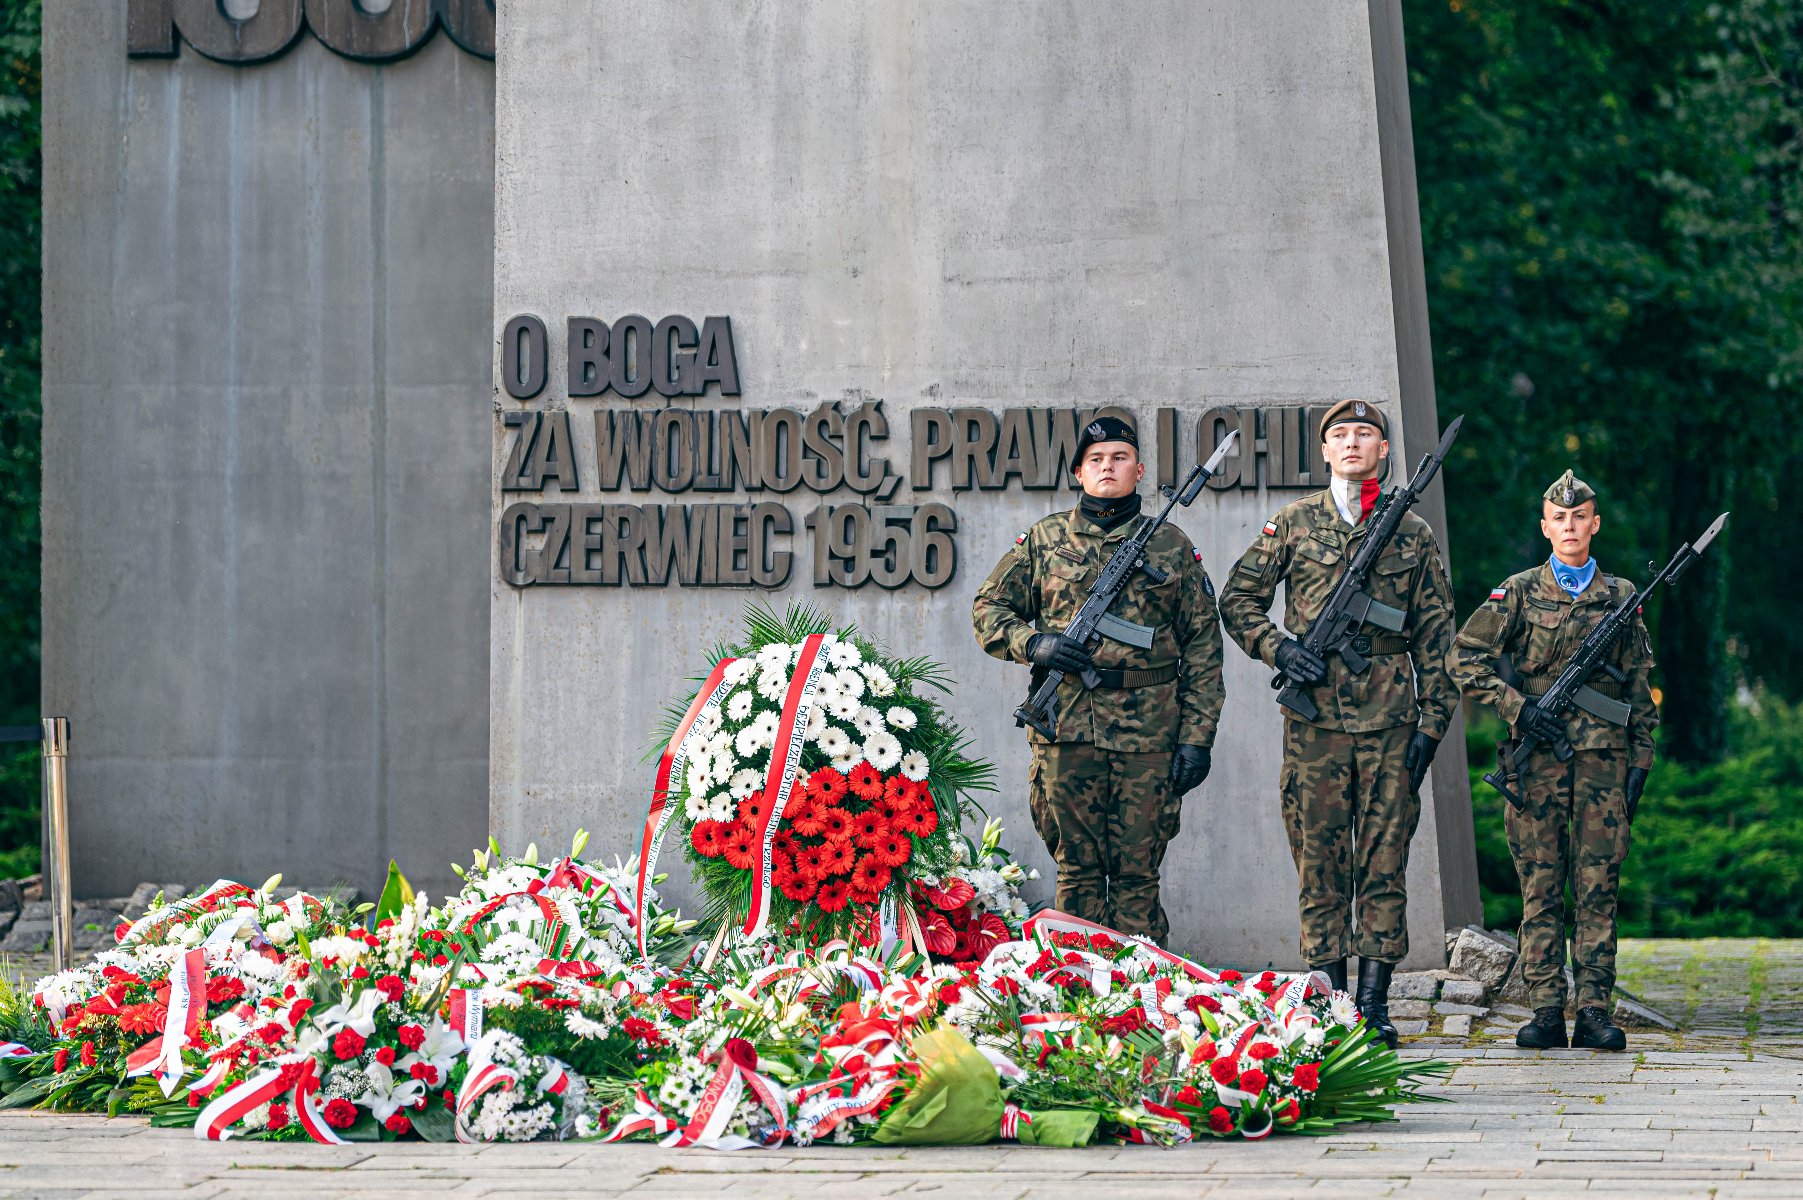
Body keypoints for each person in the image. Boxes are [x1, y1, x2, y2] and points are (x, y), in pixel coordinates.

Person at [1217, 399, 1456, 1048]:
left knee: (1383, 863)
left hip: (1390, 724)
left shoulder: (1411, 533)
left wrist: (1432, 724)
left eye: (1365, 433)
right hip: (1314, 726)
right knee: (1319, 864)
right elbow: (1237, 599)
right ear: (1324, 452)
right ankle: (1330, 1006)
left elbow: (1436, 638)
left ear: (1384, 449)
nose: (1352, 443)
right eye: (1340, 434)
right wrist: (1279, 648)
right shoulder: (1295, 523)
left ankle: (1374, 1006)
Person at [972, 415, 1226, 945]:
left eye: (1119, 458)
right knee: (1078, 874)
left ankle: (1145, 986)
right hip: (1066, 730)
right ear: (1079, 473)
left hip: (1149, 735)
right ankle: (1074, 986)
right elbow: (989, 609)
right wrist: (1034, 644)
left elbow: (1203, 648)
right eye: (1095, 460)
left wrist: (1197, 739)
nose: (1107, 467)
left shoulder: (1170, 545)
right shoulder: (1045, 540)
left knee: (1138, 877)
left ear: (1139, 471)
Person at [1449, 470, 1655, 1052]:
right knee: (1539, 886)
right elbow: (1462, 659)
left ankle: (1593, 1010)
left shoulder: (1620, 596)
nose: (1569, 526)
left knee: (1597, 887)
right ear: (1545, 527)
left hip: (1603, 765)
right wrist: (1518, 707)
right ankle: (1544, 1008)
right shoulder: (1517, 592)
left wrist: (1641, 759)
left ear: (1594, 524)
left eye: (1579, 517)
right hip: (1537, 760)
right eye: (1559, 518)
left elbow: (1639, 687)